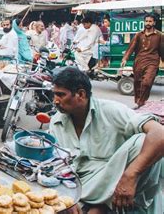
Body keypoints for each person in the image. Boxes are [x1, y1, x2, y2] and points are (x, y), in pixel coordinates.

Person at [49, 67, 163, 214]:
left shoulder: (111, 110)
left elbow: (160, 134)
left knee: (143, 142)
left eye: (60, 95)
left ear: (81, 95)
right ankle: (99, 205)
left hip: (113, 180)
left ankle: (103, 206)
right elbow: (56, 165)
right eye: (55, 95)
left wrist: (130, 176)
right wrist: (68, 198)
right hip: (82, 186)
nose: (55, 101)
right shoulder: (56, 122)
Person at [122, 14, 164, 109]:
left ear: (154, 23)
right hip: (139, 61)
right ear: (144, 22)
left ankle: (141, 102)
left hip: (152, 62)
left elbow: (162, 50)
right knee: (138, 83)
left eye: (150, 21)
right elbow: (131, 47)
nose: (148, 23)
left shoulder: (160, 35)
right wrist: (125, 58)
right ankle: (138, 102)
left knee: (147, 82)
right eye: (146, 21)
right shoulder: (138, 35)